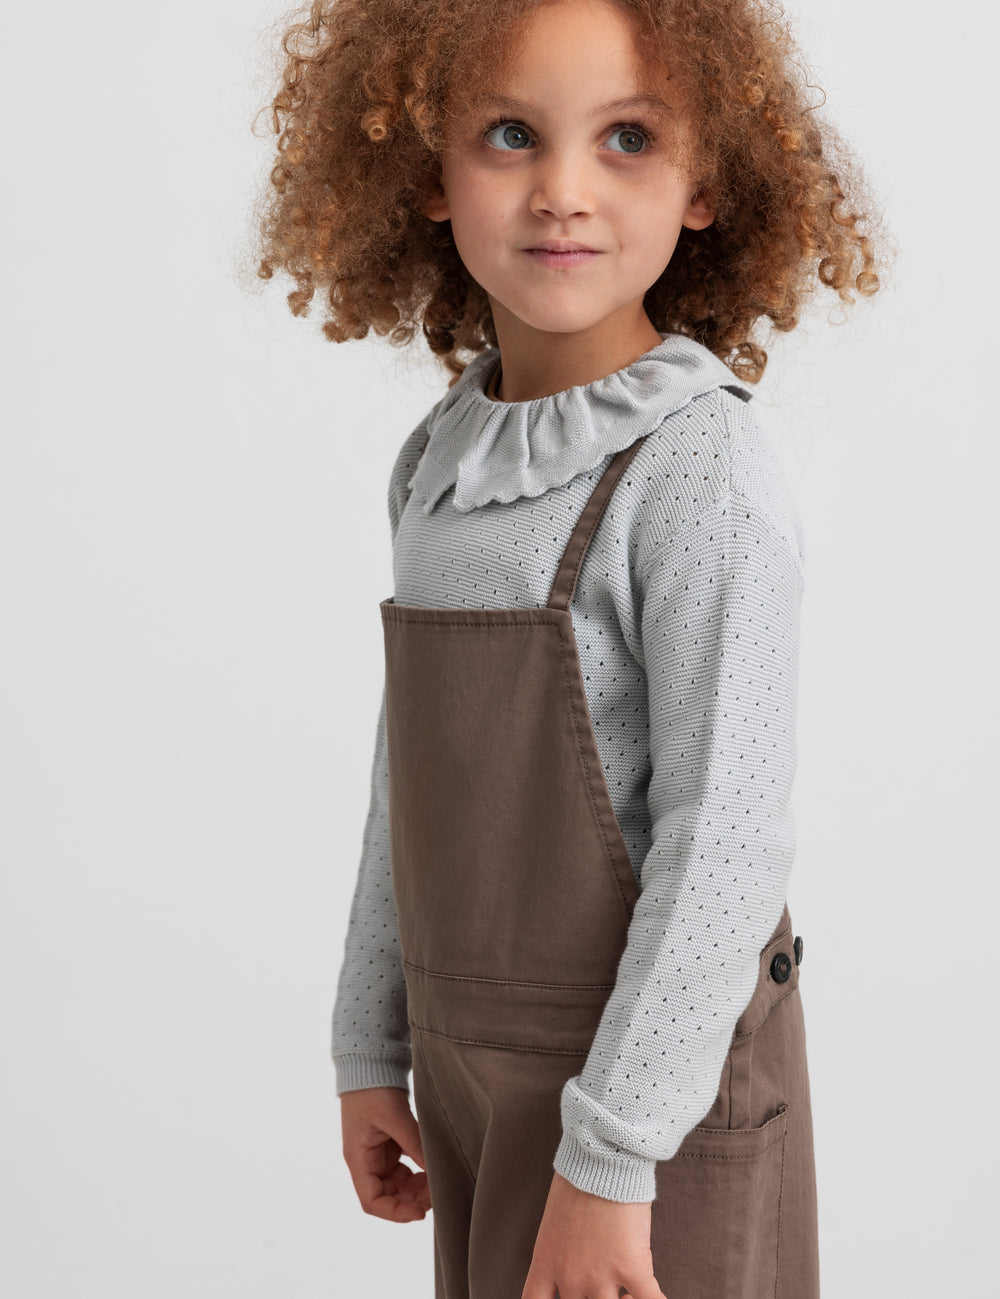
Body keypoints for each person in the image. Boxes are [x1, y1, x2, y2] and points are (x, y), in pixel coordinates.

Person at [246, 0, 891, 1294]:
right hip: (475, 1077)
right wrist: (369, 1033)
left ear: (706, 179)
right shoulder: (438, 464)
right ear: (428, 169)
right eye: (508, 134)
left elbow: (728, 844)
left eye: (628, 139)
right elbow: (408, 781)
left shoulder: (697, 470)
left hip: (653, 1105)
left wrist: (614, 1159)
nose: (562, 191)